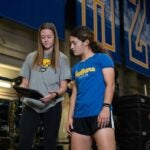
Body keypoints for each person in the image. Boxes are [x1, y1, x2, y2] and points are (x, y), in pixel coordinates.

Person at [18, 22, 71, 150]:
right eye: (43, 37)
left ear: (55, 38)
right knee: (24, 142)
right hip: (32, 105)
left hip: (52, 105)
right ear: (39, 38)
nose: (46, 40)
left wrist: (54, 95)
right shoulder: (31, 57)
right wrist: (20, 89)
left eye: (49, 36)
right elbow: (24, 82)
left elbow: (64, 86)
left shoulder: (62, 58)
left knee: (50, 143)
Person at [66, 26, 116, 150]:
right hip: (79, 117)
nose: (71, 47)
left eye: (74, 43)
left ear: (86, 42)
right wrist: (69, 117)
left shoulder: (102, 58)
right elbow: (74, 94)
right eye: (70, 43)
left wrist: (106, 107)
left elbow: (110, 84)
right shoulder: (75, 68)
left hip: (99, 114)